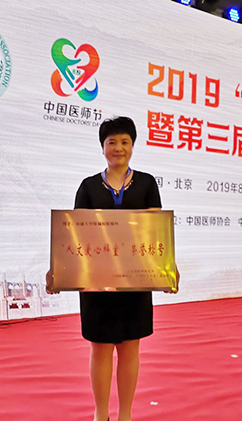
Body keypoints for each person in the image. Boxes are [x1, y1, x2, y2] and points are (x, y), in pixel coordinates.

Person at [72, 116, 177, 421]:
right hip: (97, 280)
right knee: (100, 348)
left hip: (136, 278)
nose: (118, 148)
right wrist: (59, 271)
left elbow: (156, 232)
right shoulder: (88, 186)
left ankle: (125, 416)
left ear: (133, 145)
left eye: (124, 142)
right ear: (102, 147)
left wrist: (168, 268)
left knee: (131, 348)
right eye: (112, 142)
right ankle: (100, 415)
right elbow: (75, 233)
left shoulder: (146, 183)